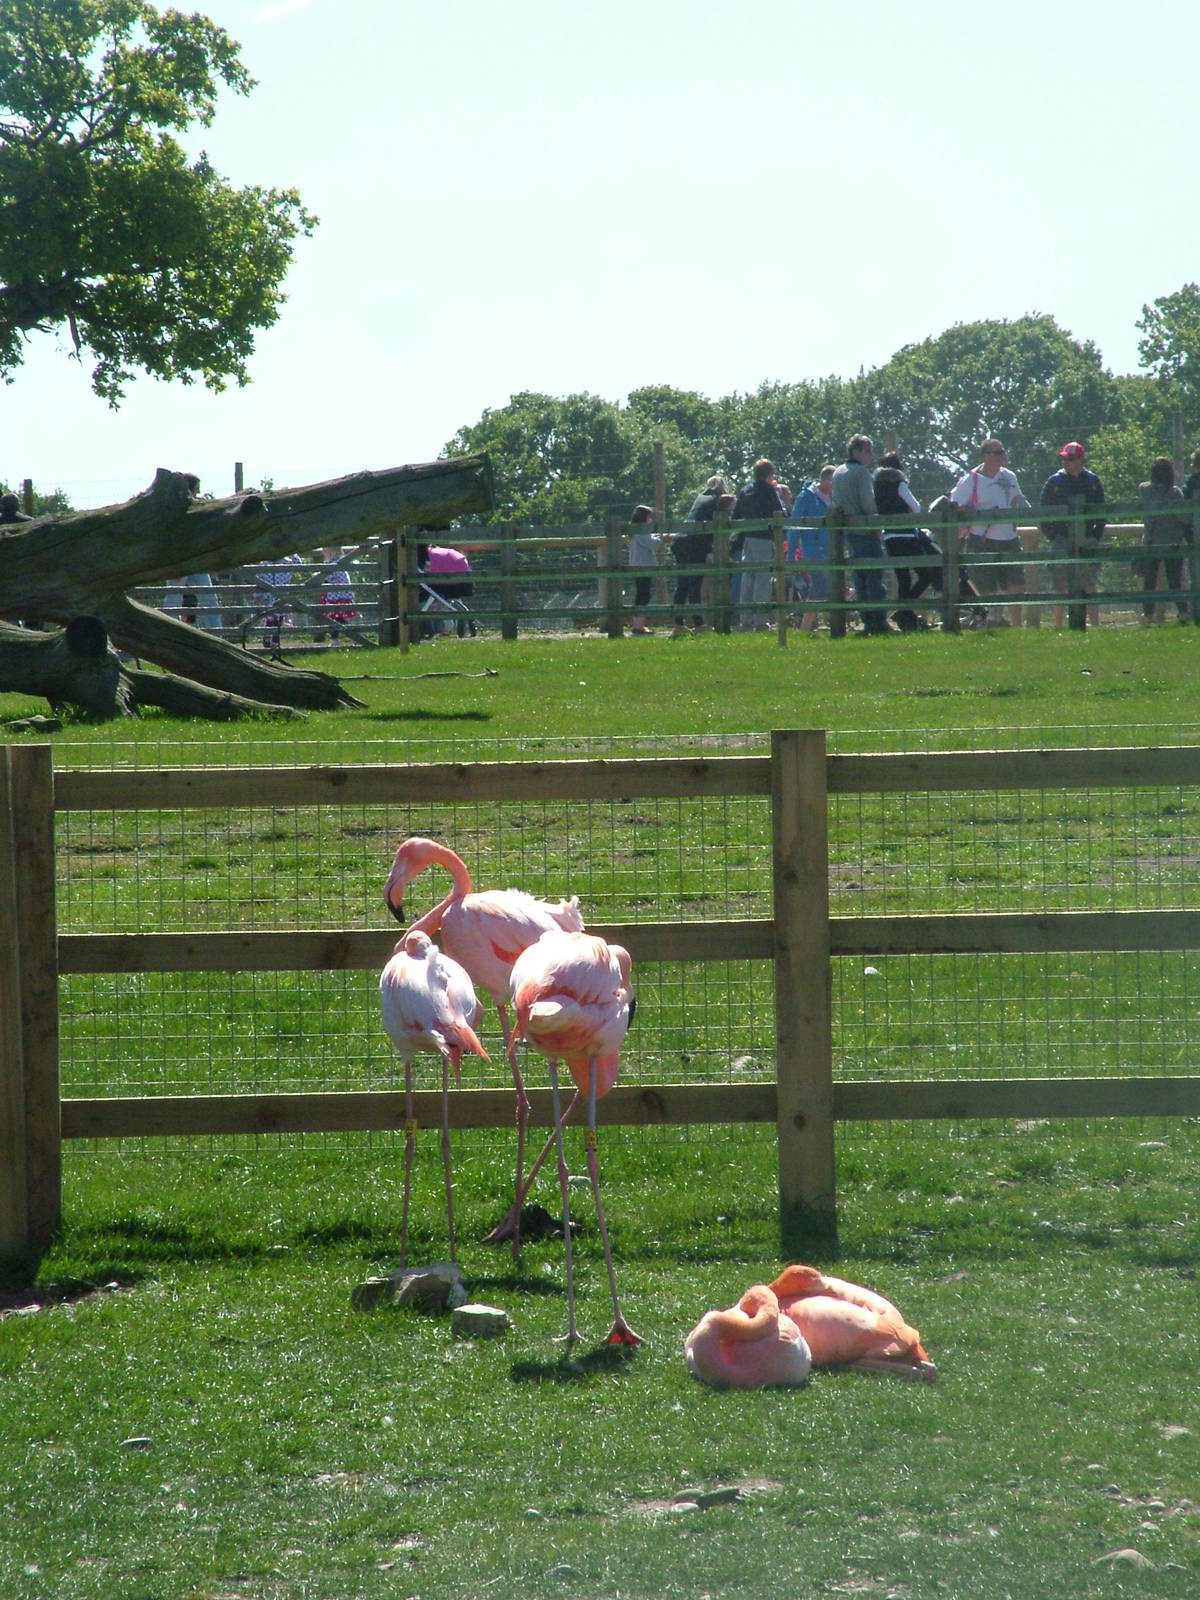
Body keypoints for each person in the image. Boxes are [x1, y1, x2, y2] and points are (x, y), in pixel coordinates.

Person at [950, 439, 1031, 627]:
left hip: (1009, 538)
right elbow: (955, 505)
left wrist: (1023, 510)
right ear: (986, 456)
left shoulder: (1009, 476)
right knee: (986, 586)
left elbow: (1016, 498)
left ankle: (1017, 626)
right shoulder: (971, 480)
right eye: (998, 452)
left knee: (1015, 584)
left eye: (1003, 452)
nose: (1003, 455)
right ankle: (988, 624)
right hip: (982, 539)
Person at [1039, 441, 1106, 627]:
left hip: (1087, 539)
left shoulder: (1093, 481)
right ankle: (1058, 625)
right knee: (1059, 584)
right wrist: (1054, 537)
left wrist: (1095, 536)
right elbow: (1042, 513)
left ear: (1080, 459)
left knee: (1090, 583)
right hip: (1061, 540)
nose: (1066, 462)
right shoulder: (1054, 482)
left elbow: (1102, 513)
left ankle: (1095, 624)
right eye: (1065, 459)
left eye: (1071, 459)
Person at [874, 452, 939, 631]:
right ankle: (904, 610)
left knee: (903, 578)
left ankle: (906, 617)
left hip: (889, 537)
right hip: (906, 535)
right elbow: (916, 506)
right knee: (926, 574)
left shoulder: (876, 485)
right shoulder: (898, 481)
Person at [832, 434, 889, 634]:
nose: (871, 455)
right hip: (866, 531)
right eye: (867, 451)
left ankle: (866, 621)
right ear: (855, 451)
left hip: (850, 533)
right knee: (874, 579)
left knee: (859, 579)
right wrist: (876, 526)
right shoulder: (862, 474)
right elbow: (868, 504)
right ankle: (878, 622)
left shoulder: (837, 473)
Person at [732, 458, 786, 630]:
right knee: (762, 579)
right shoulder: (769, 490)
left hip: (748, 537)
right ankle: (760, 621)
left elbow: (736, 515)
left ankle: (745, 620)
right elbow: (779, 512)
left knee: (748, 578)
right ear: (769, 474)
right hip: (764, 537)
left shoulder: (745, 490)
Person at [1137, 457, 1190, 622]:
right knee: (1175, 582)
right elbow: (1185, 518)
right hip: (1172, 541)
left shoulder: (1145, 490)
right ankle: (1183, 613)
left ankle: (1147, 616)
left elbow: (1144, 488)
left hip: (1151, 541)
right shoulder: (1175, 493)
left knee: (1149, 582)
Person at [671, 475, 724, 635]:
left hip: (680, 541)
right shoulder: (717, 500)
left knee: (683, 584)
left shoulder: (700, 498)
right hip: (695, 544)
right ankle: (699, 624)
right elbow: (715, 528)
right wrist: (710, 550)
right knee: (695, 584)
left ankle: (678, 623)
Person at [788, 466, 836, 632]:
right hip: (812, 551)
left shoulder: (833, 498)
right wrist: (790, 555)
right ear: (824, 480)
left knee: (830, 587)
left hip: (830, 551)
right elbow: (794, 526)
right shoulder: (806, 497)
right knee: (819, 588)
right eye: (832, 482)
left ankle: (833, 627)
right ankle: (805, 628)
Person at [625, 504, 661, 634]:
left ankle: (638, 624)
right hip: (642, 566)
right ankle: (638, 626)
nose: (650, 520)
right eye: (649, 517)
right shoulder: (640, 532)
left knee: (642, 594)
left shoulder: (637, 531)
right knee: (643, 595)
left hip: (640, 565)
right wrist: (661, 536)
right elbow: (651, 544)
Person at [319, 547, 358, 642]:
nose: (323, 552)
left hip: (337, 596)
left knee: (335, 618)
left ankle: (339, 638)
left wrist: (318, 576)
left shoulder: (334, 563)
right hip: (339, 594)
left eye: (325, 550)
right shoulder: (337, 562)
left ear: (331, 552)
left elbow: (328, 576)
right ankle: (352, 637)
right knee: (337, 618)